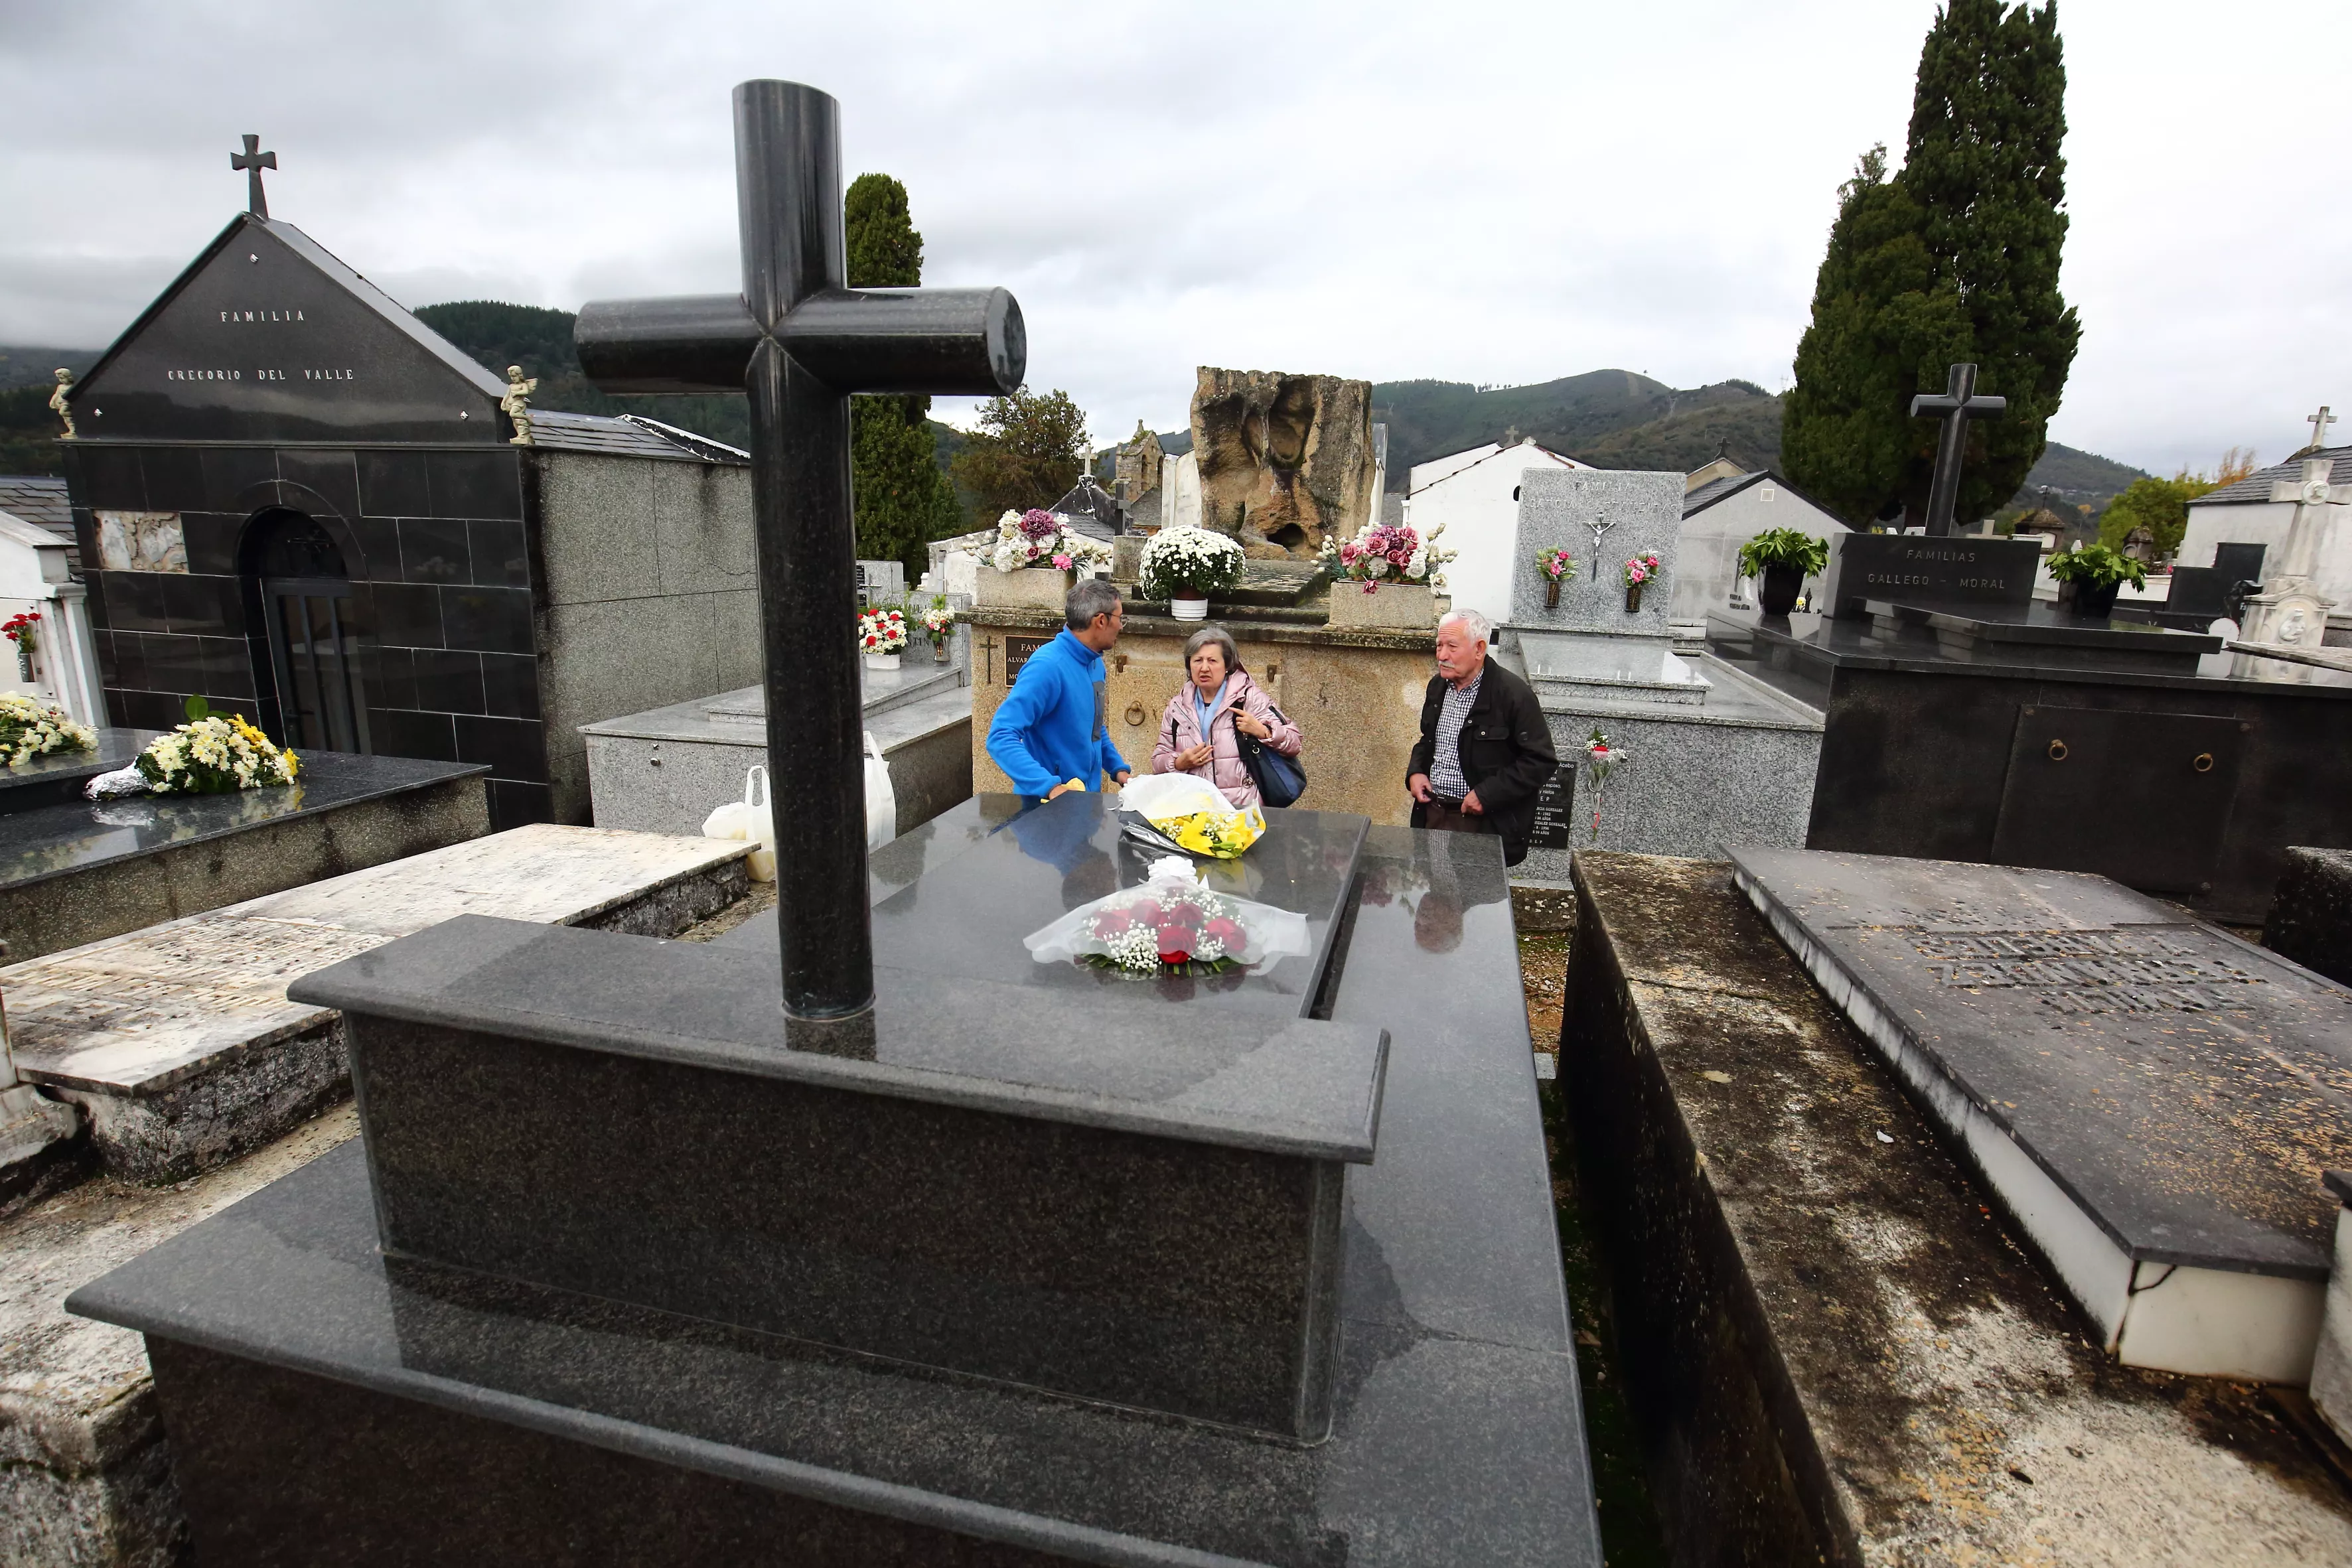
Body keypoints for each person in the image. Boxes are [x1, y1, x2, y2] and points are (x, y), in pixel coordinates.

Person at [1406, 608, 1557, 867]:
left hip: (1482, 824)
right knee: (1433, 900)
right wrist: (1416, 771)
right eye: (1439, 645)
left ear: (1479, 649)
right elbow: (1428, 739)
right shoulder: (1438, 686)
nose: (1442, 656)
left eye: (1452, 647)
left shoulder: (1512, 695)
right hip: (1433, 814)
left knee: (1472, 902)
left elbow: (1540, 761)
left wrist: (1487, 795)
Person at [986, 577, 1132, 804]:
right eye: (1119, 618)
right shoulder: (1047, 667)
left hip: (1083, 806)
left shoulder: (1095, 664)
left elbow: (1095, 729)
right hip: (1045, 813)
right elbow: (1001, 737)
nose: (1121, 626)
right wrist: (1051, 787)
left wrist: (1119, 771)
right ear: (1101, 621)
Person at [1149, 624, 1302, 809]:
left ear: (1228, 664)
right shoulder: (1177, 707)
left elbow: (1295, 742)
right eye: (1198, 661)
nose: (1204, 668)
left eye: (1212, 661)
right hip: (1192, 810)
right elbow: (1158, 760)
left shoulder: (1249, 698)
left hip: (1240, 810)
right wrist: (1179, 762)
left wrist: (1263, 731)